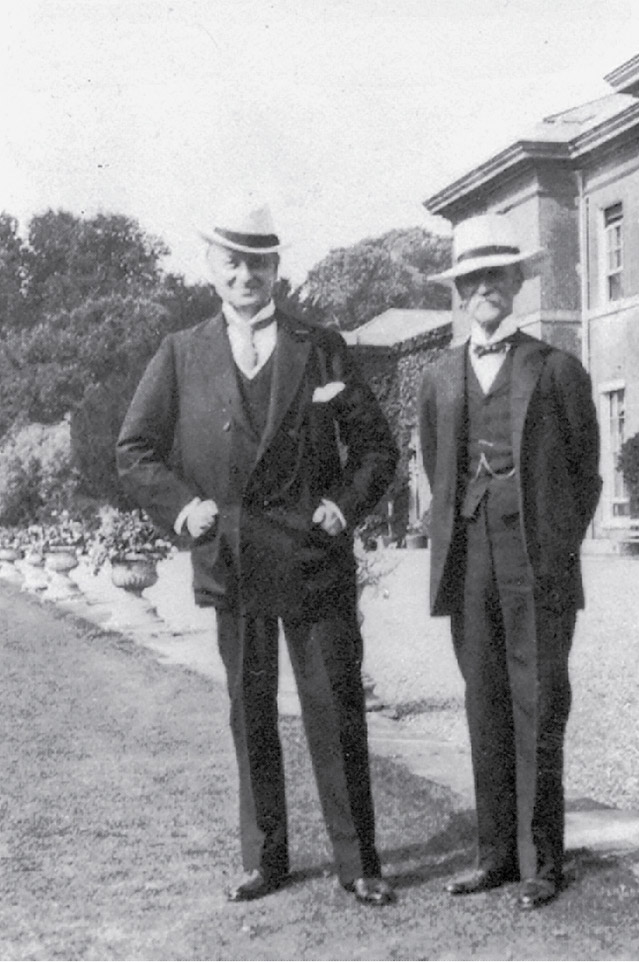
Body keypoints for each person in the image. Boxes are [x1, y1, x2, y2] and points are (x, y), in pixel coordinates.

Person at [117, 202, 398, 906]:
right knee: (250, 708)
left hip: (313, 554)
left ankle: (359, 862)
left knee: (333, 705)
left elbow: (375, 449)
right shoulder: (181, 352)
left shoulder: (322, 344)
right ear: (212, 267)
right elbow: (135, 450)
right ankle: (265, 858)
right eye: (234, 261)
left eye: (261, 262)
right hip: (232, 554)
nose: (247, 274)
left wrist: (346, 505)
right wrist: (184, 508)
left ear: (279, 268)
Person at [418, 212, 601, 910]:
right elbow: (440, 471)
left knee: (540, 704)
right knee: (484, 702)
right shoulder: (438, 378)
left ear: (519, 281)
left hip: (538, 564)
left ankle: (541, 862)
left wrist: (554, 540)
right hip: (469, 561)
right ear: (461, 292)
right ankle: (493, 855)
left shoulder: (557, 369)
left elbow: (585, 474)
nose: (487, 287)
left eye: (499, 274)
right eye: (474, 278)